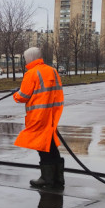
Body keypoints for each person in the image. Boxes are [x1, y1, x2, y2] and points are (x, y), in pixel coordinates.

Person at [13, 47, 65, 189]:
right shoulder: (52, 70)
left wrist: (16, 95)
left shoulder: (31, 73)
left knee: (43, 146)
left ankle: (46, 179)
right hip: (52, 114)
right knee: (51, 144)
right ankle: (58, 178)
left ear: (30, 58)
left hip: (38, 116)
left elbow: (23, 96)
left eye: (25, 58)